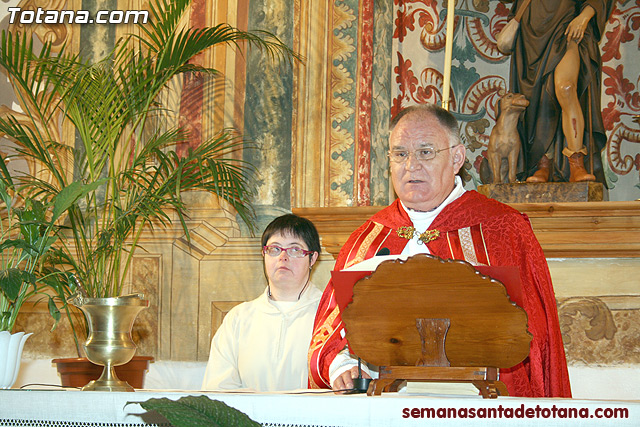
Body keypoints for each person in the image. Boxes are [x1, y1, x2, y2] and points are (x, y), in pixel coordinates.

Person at [308, 104, 572, 397]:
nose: (411, 166)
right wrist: (342, 365)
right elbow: (330, 331)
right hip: (388, 405)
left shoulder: (504, 230)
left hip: (479, 404)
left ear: (457, 157)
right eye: (400, 154)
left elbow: (536, 336)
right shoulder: (367, 239)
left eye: (425, 152)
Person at [202, 214, 323, 391]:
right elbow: (218, 387)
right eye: (274, 249)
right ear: (263, 255)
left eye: (295, 249)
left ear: (312, 259)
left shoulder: (330, 316)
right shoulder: (239, 318)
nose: (283, 257)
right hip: (247, 418)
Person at [504, 0, 614, 184]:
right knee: (538, 98)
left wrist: (585, 16)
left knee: (566, 87)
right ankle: (542, 164)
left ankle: (576, 162)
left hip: (568, 23)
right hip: (533, 29)